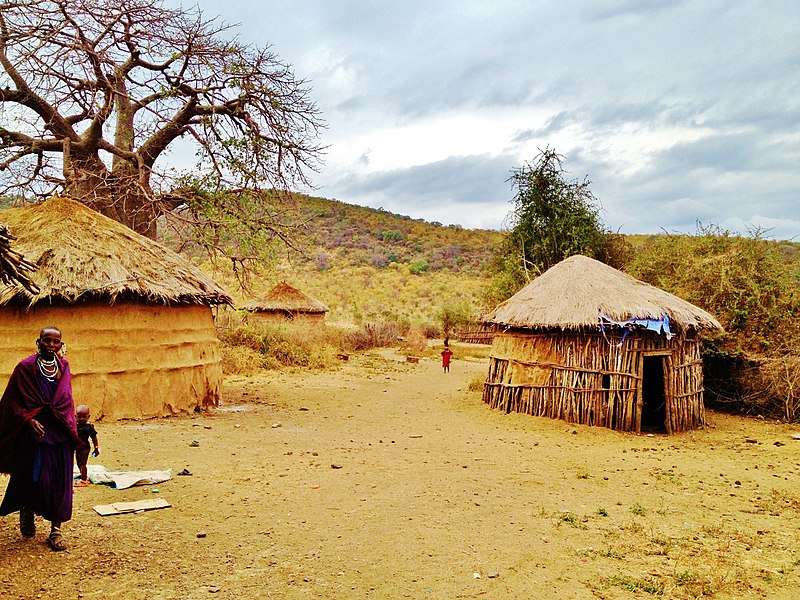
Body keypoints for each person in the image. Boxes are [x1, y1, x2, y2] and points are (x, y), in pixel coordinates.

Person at [0, 326, 79, 551]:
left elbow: (65, 399)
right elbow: (12, 402)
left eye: (56, 342)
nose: (51, 345)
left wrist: (65, 421)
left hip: (60, 432)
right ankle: (26, 508)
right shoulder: (25, 368)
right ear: (38, 342)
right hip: (34, 435)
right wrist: (28, 420)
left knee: (60, 481)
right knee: (33, 477)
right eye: (47, 341)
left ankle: (56, 530)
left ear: (61, 345)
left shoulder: (63, 366)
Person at [74, 404, 100, 488]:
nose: (82, 419)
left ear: (88, 417)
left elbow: (94, 438)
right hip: (77, 448)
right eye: (79, 417)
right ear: (75, 416)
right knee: (78, 463)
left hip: (85, 448)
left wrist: (96, 448)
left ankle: (84, 480)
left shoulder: (89, 427)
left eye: (84, 417)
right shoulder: (74, 426)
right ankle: (83, 476)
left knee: (83, 464)